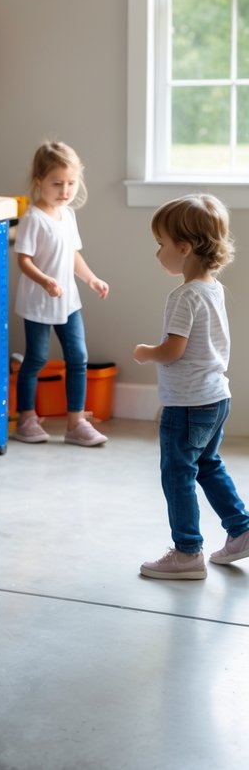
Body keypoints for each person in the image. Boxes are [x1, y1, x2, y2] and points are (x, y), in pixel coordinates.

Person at [134, 194, 249, 580]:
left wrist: (147, 352)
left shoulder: (183, 297)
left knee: (177, 473)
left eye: (161, 244)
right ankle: (241, 528)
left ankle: (187, 552)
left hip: (188, 405)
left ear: (184, 248)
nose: (158, 253)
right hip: (216, 398)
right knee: (207, 465)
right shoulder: (212, 288)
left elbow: (173, 350)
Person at [12, 140, 109, 447]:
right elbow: (23, 260)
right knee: (36, 359)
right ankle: (26, 417)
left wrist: (91, 279)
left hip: (68, 301)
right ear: (39, 181)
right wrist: (45, 281)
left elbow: (73, 255)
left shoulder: (67, 215)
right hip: (39, 302)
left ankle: (76, 422)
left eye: (71, 183)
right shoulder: (33, 218)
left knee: (78, 357)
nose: (65, 191)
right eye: (57, 183)